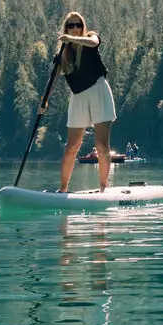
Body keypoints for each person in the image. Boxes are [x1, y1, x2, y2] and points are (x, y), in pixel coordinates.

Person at [55, 11, 117, 193]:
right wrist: (44, 101)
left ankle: (103, 188)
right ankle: (63, 189)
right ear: (66, 28)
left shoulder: (90, 38)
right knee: (72, 146)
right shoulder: (63, 54)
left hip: (98, 91)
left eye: (78, 25)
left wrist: (73, 39)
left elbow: (94, 42)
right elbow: (54, 77)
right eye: (71, 25)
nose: (75, 29)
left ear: (83, 27)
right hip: (78, 96)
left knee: (101, 145)